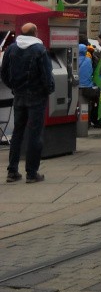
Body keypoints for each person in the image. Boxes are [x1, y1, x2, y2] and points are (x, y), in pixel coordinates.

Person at [1, 23, 55, 183]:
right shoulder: (40, 50)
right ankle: (31, 173)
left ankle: (12, 171)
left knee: (17, 133)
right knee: (34, 134)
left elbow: (4, 72)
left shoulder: (11, 48)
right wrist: (48, 90)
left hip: (18, 95)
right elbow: (46, 74)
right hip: (37, 96)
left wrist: (14, 87)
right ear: (35, 32)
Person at [78, 43, 101, 128]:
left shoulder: (74, 59)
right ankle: (89, 122)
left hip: (77, 87)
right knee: (90, 104)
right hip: (88, 88)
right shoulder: (88, 60)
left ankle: (81, 124)